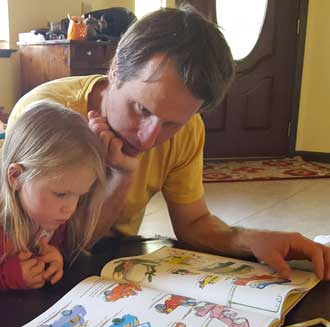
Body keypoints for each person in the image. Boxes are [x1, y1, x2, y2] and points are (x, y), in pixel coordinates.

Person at [8, 6, 330, 281]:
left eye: (172, 123)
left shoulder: (190, 131)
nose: (149, 138)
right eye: (142, 109)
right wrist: (120, 177)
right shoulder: (44, 118)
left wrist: (250, 240)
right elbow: (71, 247)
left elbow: (193, 223)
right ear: (116, 68)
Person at [0, 101, 106, 290]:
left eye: (79, 196)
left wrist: (54, 258)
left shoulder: (51, 218)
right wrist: (8, 277)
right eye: (61, 194)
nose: (71, 208)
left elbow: (56, 248)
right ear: (16, 176)